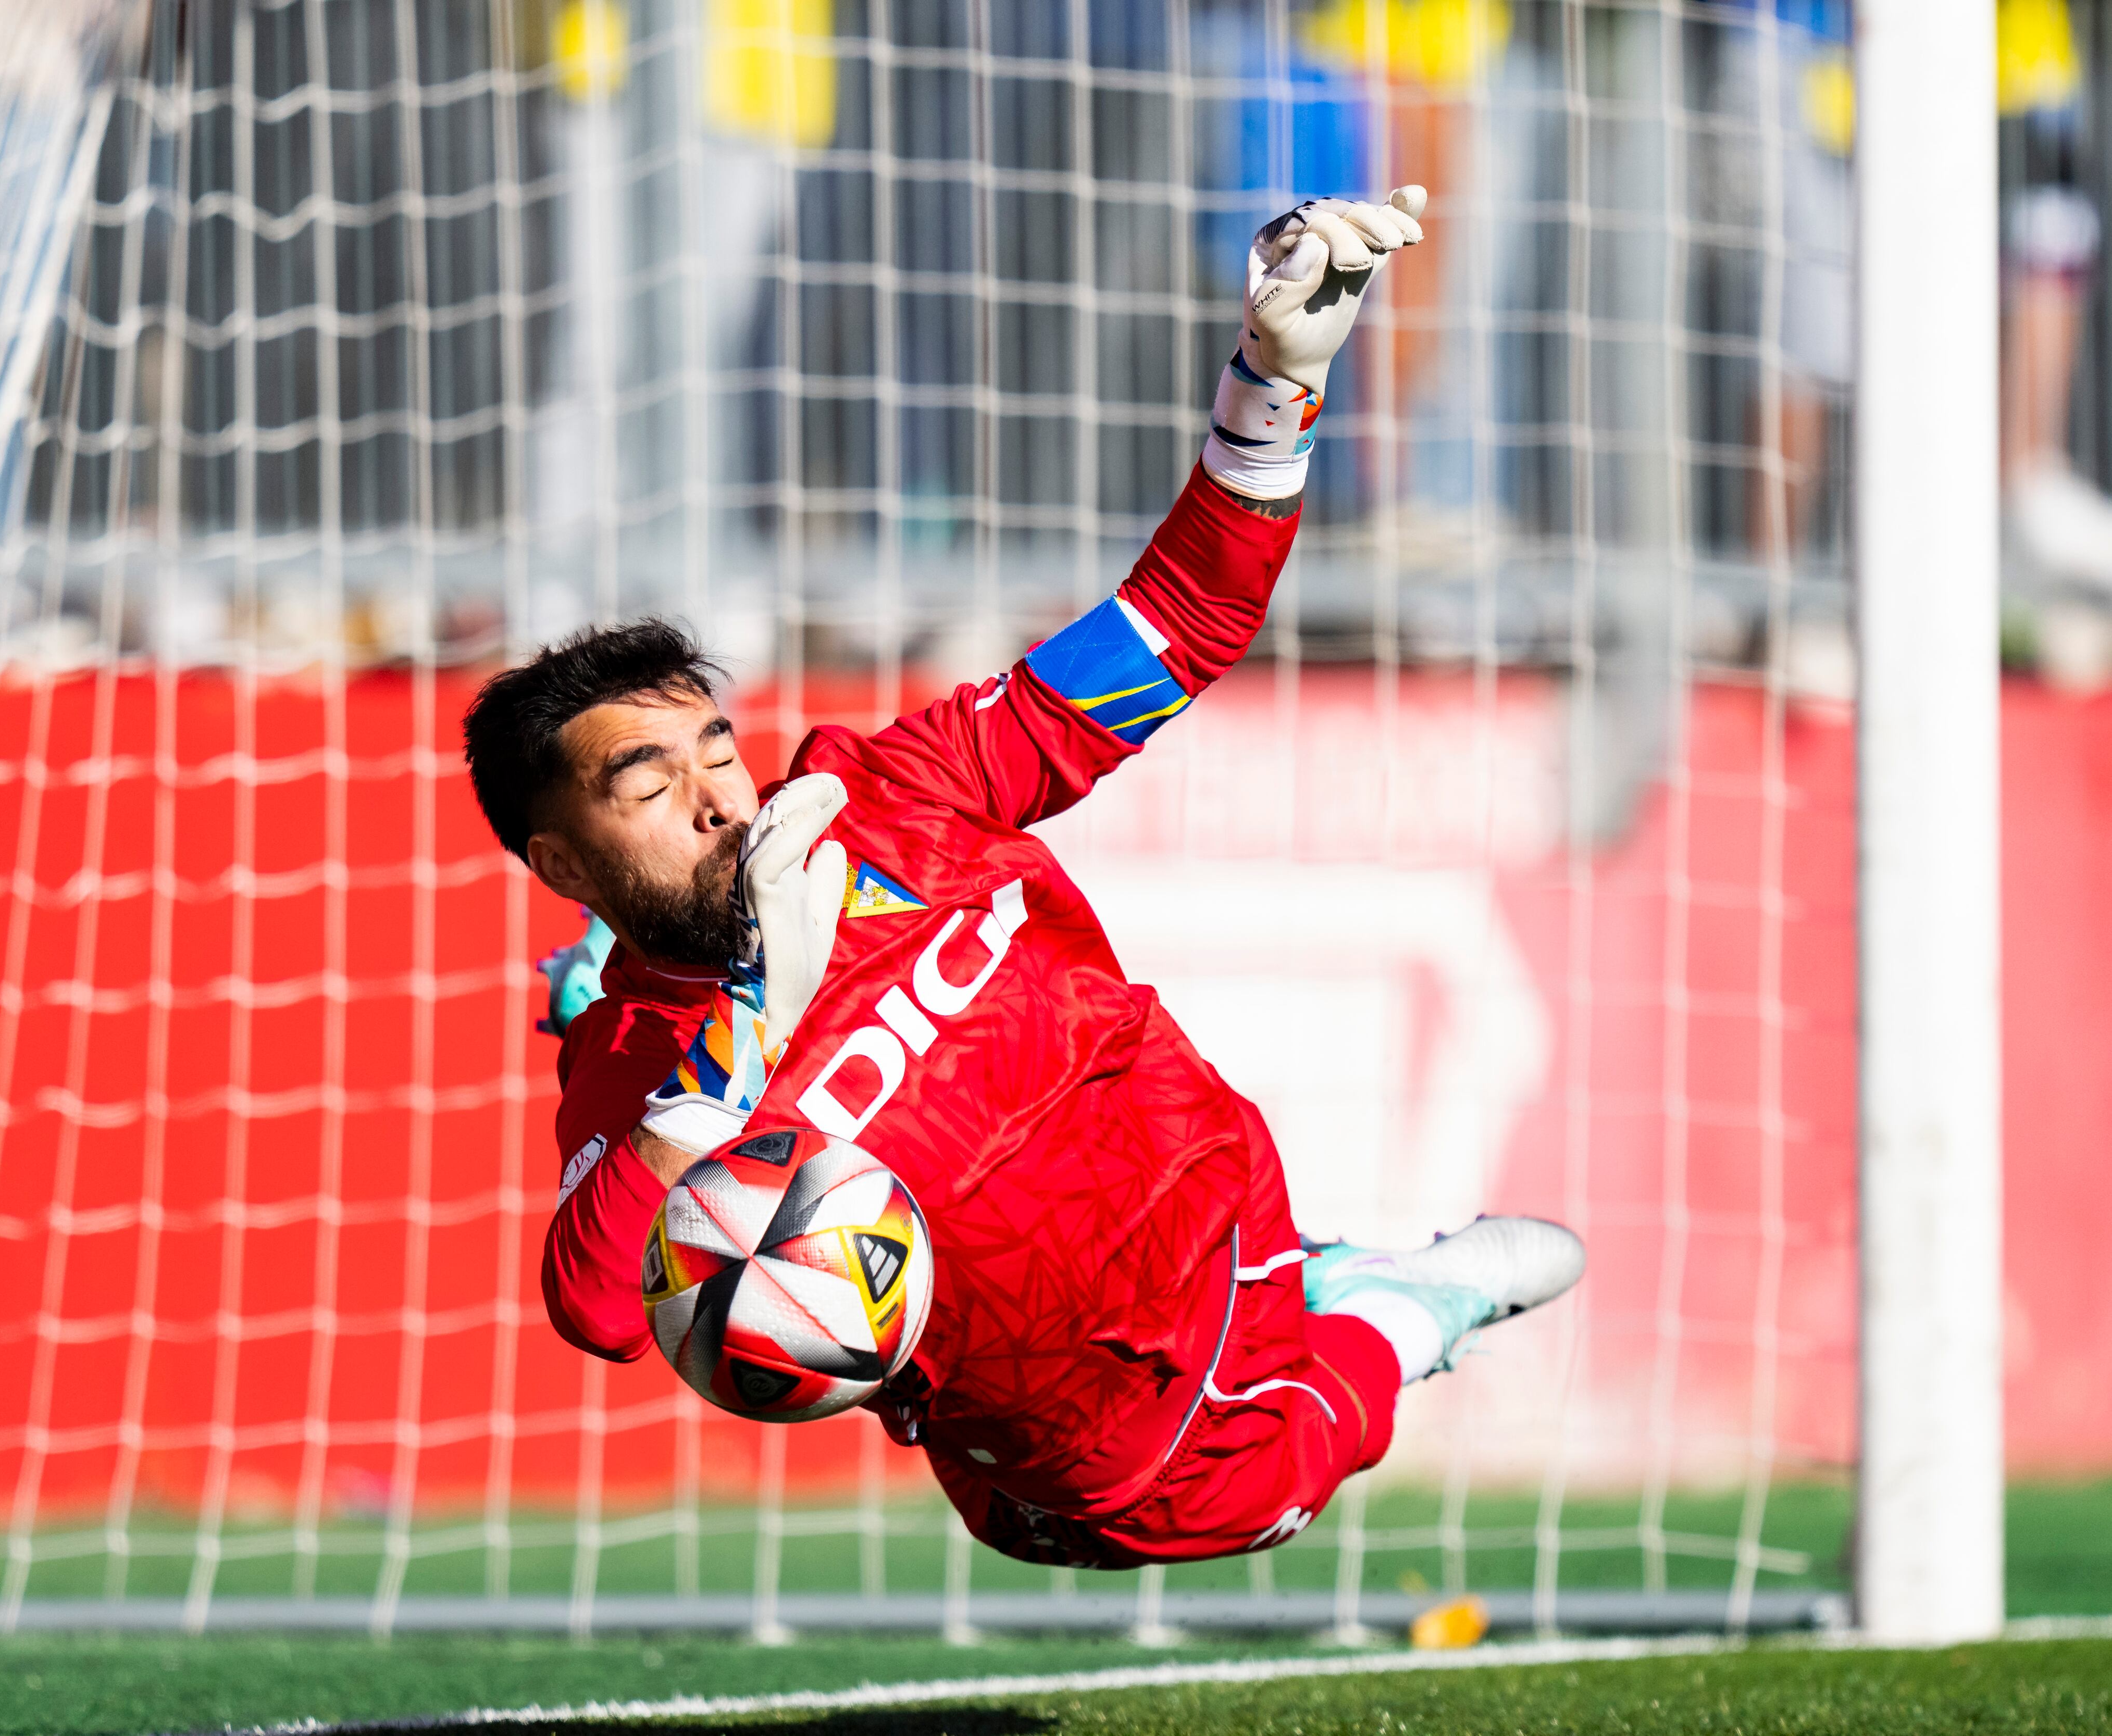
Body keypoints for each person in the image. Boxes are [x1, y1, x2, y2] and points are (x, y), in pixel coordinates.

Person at [463, 187, 1587, 1568]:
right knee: (1233, 1500)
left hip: (1220, 1192)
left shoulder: (891, 790)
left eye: (715, 750)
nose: (714, 798)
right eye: (648, 786)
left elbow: (1173, 631)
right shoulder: (642, 1058)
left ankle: (1334, 1288)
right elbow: (594, 1303)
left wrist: (1276, 385)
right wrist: (740, 1040)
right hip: (1092, 1440)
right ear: (563, 862)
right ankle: (1403, 1312)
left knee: (1259, 1411)